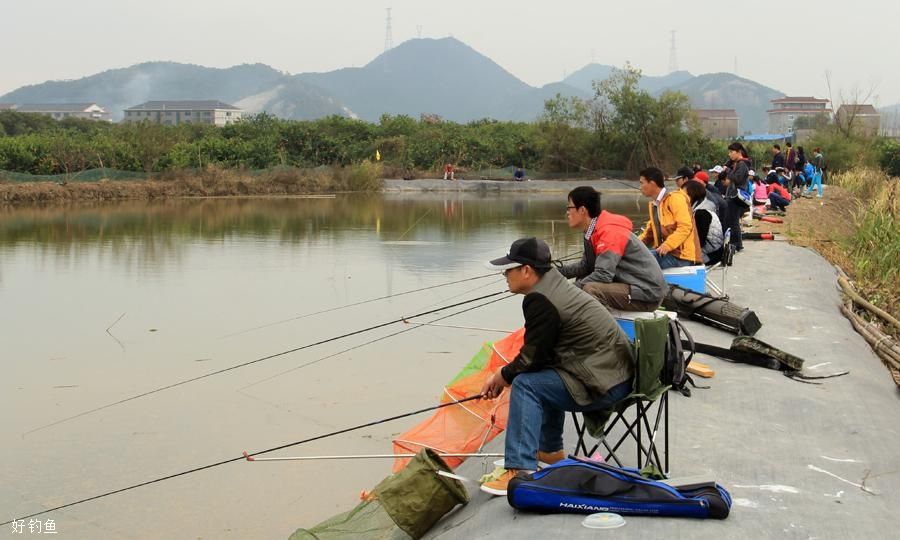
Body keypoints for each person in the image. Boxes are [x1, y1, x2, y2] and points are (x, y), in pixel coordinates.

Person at [479, 237, 634, 496]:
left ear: (526, 270)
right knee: (538, 377)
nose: (505, 275)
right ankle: (550, 452)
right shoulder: (555, 283)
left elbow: (531, 358)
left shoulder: (539, 300)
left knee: (526, 385)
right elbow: (539, 356)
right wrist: (506, 373)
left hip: (605, 383)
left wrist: (502, 376)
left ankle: (518, 469)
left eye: (509, 269)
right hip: (614, 374)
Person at [559, 186, 668, 312]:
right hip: (634, 289)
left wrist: (568, 291)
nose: (567, 212)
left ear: (582, 210)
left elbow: (603, 275)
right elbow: (586, 266)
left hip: (646, 293)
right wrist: (554, 272)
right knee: (582, 279)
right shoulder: (592, 231)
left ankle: (602, 330)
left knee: (590, 289)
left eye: (569, 207)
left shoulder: (609, 232)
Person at [637, 166, 703, 269]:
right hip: (666, 254)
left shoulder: (676, 198)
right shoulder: (655, 205)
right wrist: (631, 245)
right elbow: (648, 234)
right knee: (632, 258)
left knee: (636, 264)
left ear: (652, 183)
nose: (640, 187)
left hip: (683, 258)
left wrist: (667, 245)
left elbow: (685, 227)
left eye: (642, 183)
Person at [684, 180, 724, 265]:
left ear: (692, 194)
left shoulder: (701, 213)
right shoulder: (705, 204)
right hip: (714, 250)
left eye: (684, 194)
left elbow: (699, 242)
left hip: (711, 255)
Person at [721, 142, 751, 251]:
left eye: (731, 152)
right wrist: (728, 165)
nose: (729, 154)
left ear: (739, 152)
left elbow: (738, 179)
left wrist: (728, 170)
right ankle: (735, 244)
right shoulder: (737, 163)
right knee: (731, 220)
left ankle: (737, 244)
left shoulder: (742, 164)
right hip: (732, 195)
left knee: (733, 221)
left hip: (736, 197)